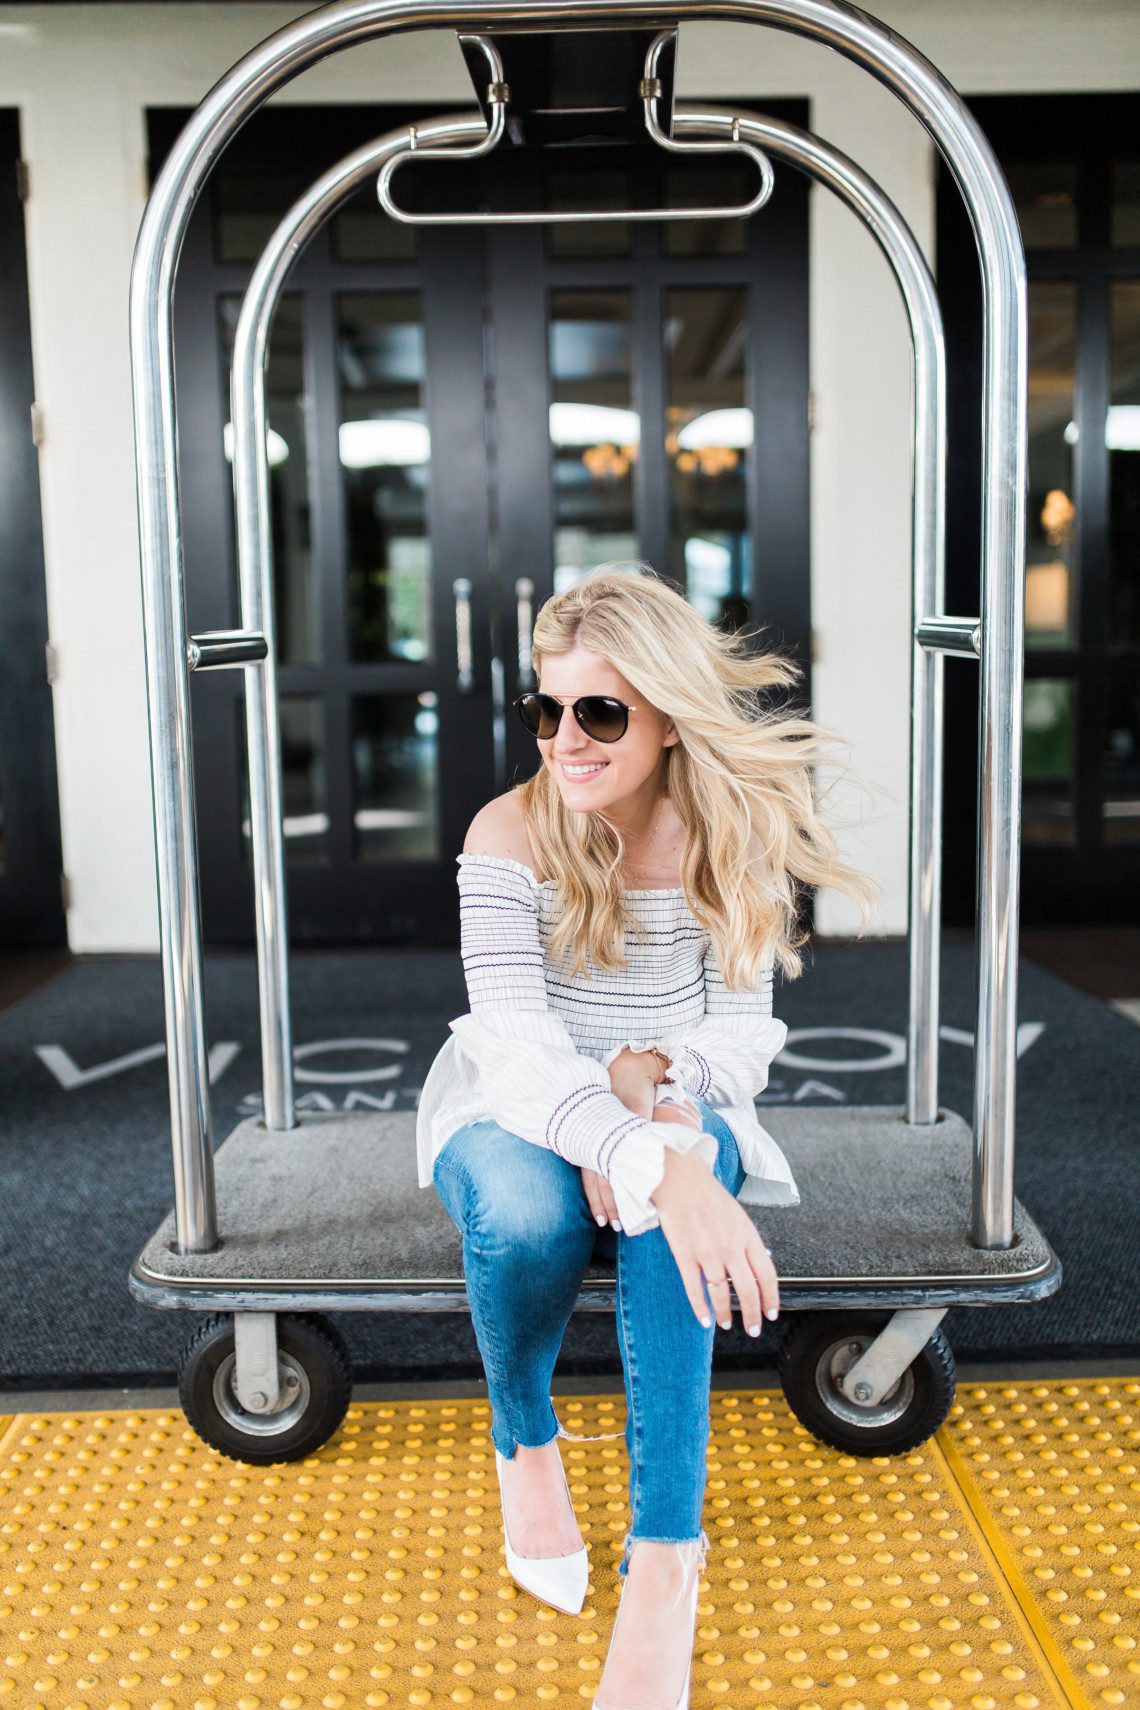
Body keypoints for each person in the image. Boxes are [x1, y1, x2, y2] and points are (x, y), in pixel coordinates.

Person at [417, 563, 879, 1710]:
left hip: (672, 1096)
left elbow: (745, 1032)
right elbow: (520, 1054)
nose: (566, 740)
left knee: (683, 1192)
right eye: (547, 709)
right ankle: (526, 1441)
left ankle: (667, 1557)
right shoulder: (508, 833)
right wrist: (645, 1157)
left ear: (668, 716)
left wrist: (663, 1093)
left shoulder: (733, 831)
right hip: (511, 1104)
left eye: (601, 712)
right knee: (527, 1213)